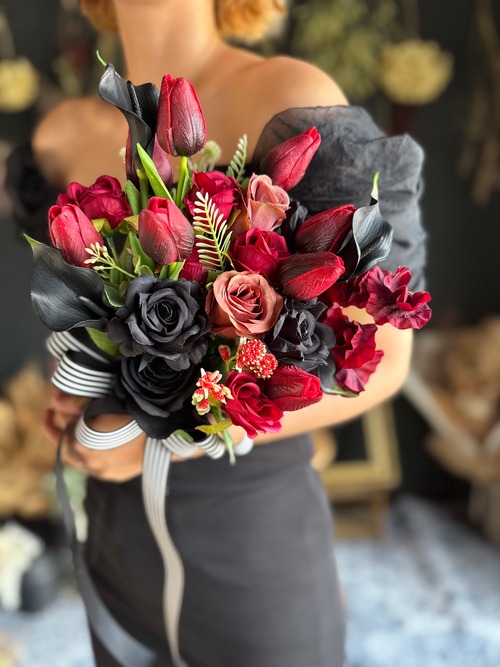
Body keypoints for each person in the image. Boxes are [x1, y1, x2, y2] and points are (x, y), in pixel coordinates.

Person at [6, 1, 426, 665]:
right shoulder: (60, 137)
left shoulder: (289, 97)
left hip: (251, 553)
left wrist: (163, 440)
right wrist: (87, 405)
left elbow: (388, 361)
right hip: (116, 551)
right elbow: (95, 328)